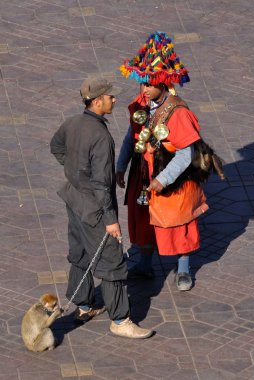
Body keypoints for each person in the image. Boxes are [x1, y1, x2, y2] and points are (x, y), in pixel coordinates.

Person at [117, 32, 223, 291]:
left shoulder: (179, 113)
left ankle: (184, 268)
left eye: (150, 84)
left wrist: (163, 180)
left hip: (173, 178)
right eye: (142, 84)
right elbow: (131, 138)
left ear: (163, 84)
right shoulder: (141, 105)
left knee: (179, 222)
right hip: (143, 174)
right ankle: (144, 263)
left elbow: (186, 154)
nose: (145, 89)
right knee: (143, 220)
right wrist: (121, 166)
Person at [50, 76, 153, 339]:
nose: (114, 100)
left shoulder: (72, 123)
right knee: (113, 261)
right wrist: (111, 220)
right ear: (97, 102)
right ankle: (120, 320)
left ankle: (84, 305)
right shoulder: (101, 137)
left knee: (82, 251)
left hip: (74, 199)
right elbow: (101, 184)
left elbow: (56, 146)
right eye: (110, 97)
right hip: (95, 208)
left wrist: (73, 171)